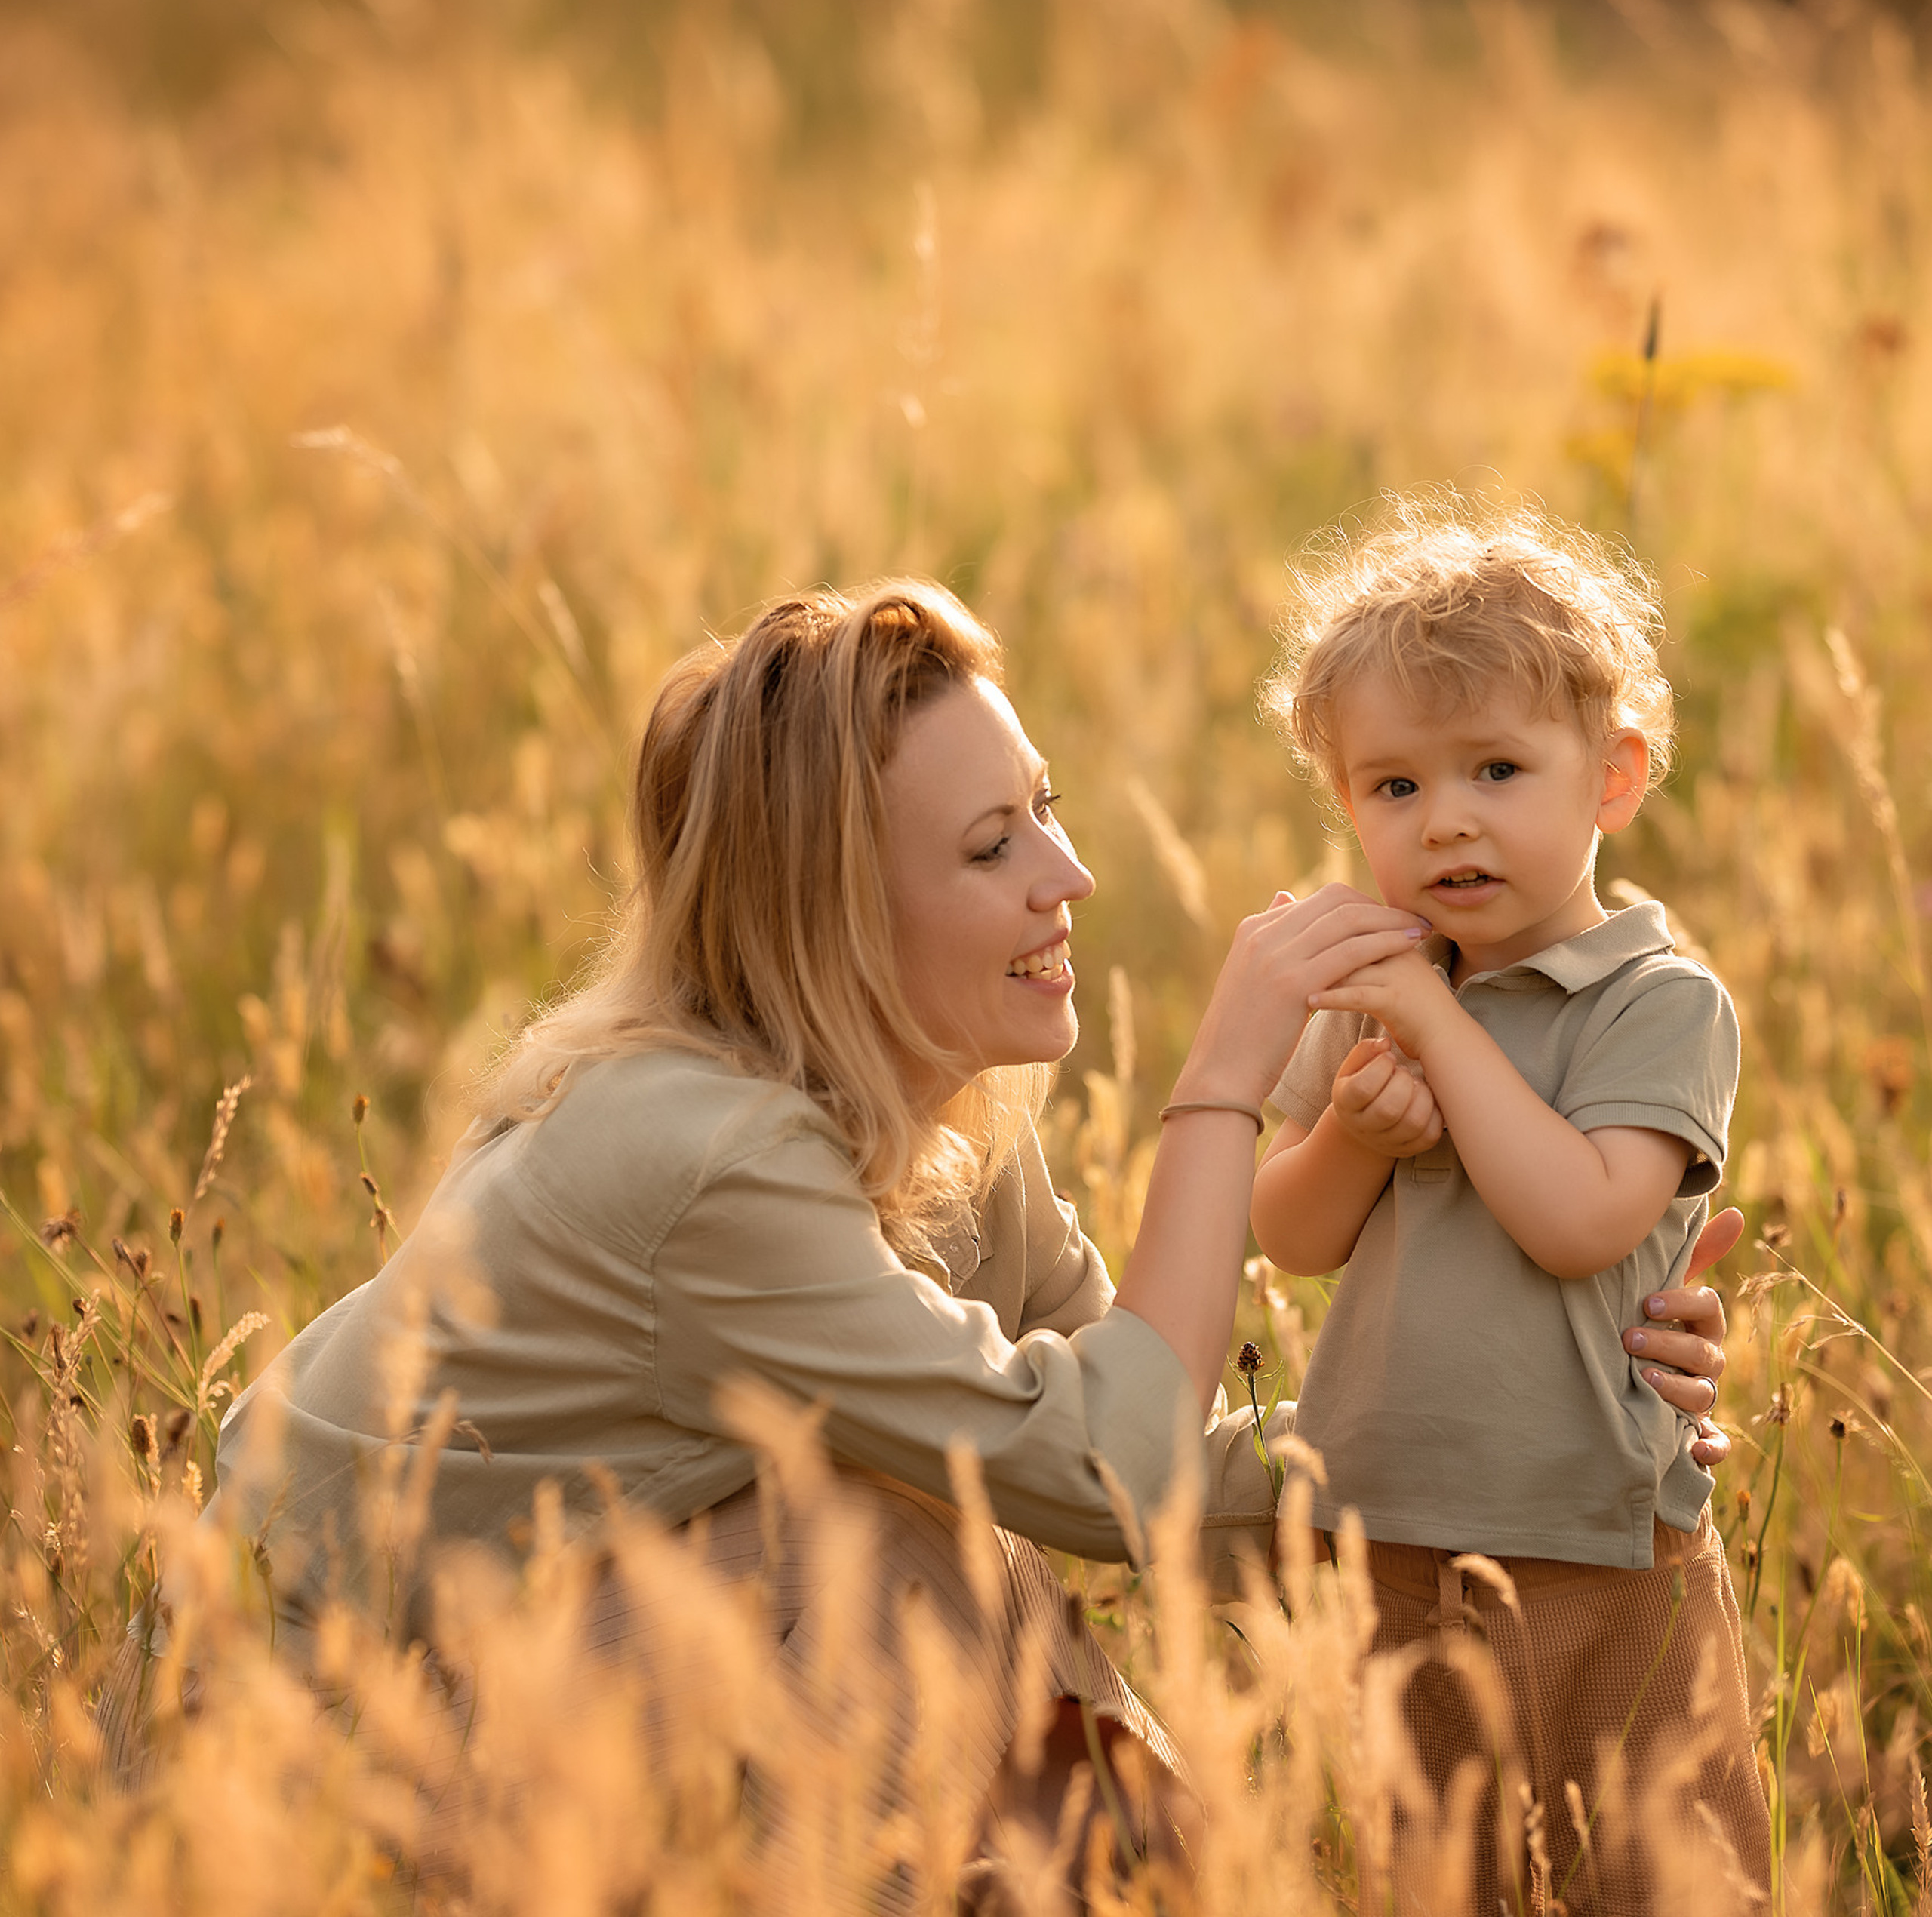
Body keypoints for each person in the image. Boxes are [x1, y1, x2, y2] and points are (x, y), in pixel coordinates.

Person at [193, 580, 1734, 1898]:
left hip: (547, 1679)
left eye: (1046, 812)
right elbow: (1102, 1475)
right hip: (318, 1770)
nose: (1066, 878)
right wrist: (1220, 1087)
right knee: (882, 1540)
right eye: (992, 844)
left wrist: (1544, 1404)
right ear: (836, 909)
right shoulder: (698, 1153)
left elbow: (1156, 1431)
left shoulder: (933, 1111)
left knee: (910, 1513)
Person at [1249, 501, 1767, 1912]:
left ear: (1612, 777)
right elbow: (1291, 1239)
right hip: (1392, 1530)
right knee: (1442, 1878)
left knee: (1657, 1875)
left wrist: (1433, 1016)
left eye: (1495, 767)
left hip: (1595, 1545)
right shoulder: (1376, 979)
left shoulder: (1657, 1002)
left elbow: (1583, 1216)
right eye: (1394, 787)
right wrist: (1354, 1136)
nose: (1447, 819)